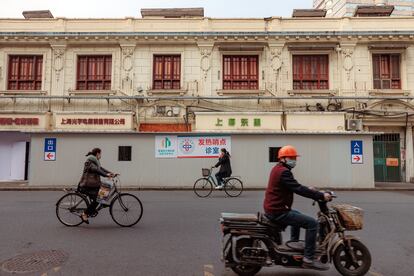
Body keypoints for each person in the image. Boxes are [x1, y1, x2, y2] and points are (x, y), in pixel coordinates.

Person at [263, 145, 332, 270]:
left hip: (275, 208)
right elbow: (298, 189)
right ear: (283, 158)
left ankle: (293, 246)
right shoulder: (284, 172)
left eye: (295, 158)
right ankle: (308, 259)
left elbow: (295, 186)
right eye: (292, 157)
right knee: (312, 224)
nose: (294, 160)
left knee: (297, 216)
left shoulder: (278, 169)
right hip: (278, 211)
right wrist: (321, 195)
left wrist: (310, 190)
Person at [78, 148, 116, 224]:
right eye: (100, 154)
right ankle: (84, 214)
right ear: (97, 154)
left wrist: (111, 173)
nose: (101, 156)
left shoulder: (95, 162)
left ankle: (100, 204)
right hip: (86, 186)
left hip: (93, 185)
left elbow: (101, 168)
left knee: (103, 191)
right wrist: (106, 175)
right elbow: (96, 170)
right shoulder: (89, 162)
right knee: (97, 199)